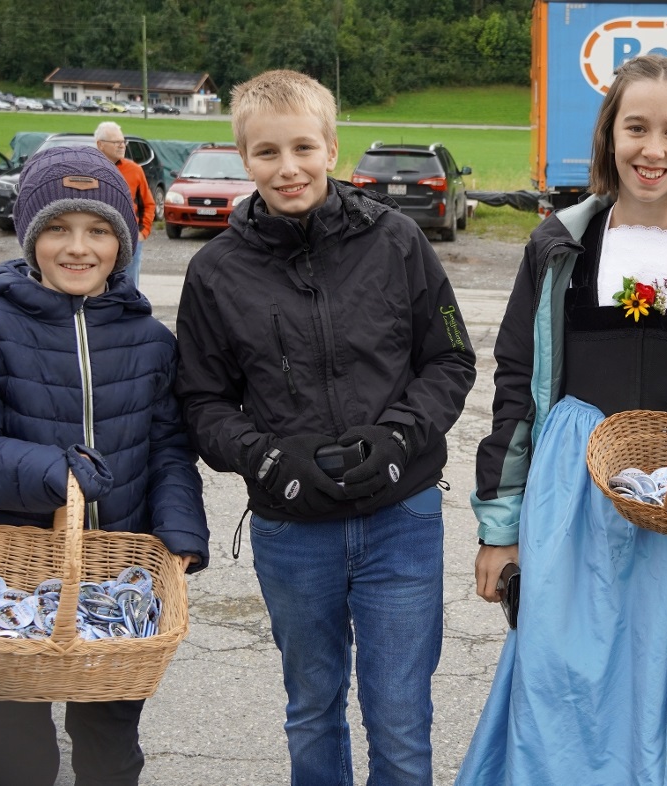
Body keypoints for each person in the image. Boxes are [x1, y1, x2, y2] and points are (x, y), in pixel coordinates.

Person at [457, 54, 667, 784]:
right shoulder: (557, 248)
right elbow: (517, 386)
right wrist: (500, 527)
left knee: (664, 692)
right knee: (559, 681)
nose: (654, 149)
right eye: (636, 127)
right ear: (610, 134)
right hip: (570, 496)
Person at [174, 69, 476, 784]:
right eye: (267, 153)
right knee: (312, 707)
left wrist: (402, 437)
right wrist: (265, 458)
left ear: (332, 149)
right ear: (242, 157)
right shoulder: (216, 271)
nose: (288, 168)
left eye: (304, 147)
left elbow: (451, 358)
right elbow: (200, 401)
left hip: (400, 520)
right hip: (292, 529)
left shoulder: (399, 242)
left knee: (401, 717)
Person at [0, 145, 210, 786]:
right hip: (7, 581)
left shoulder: (151, 341)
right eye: (56, 228)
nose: (78, 248)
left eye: (99, 230)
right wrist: (55, 470)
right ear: (29, 237)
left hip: (113, 577)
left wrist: (181, 530)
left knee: (110, 747)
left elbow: (168, 448)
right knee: (17, 755)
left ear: (123, 241)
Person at [95, 121, 154, 287]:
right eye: (116, 142)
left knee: (128, 286)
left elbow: (148, 204)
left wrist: (142, 233)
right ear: (100, 145)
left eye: (123, 141)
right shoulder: (89, 169)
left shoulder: (135, 170)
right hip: (97, 239)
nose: (122, 146)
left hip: (130, 240)